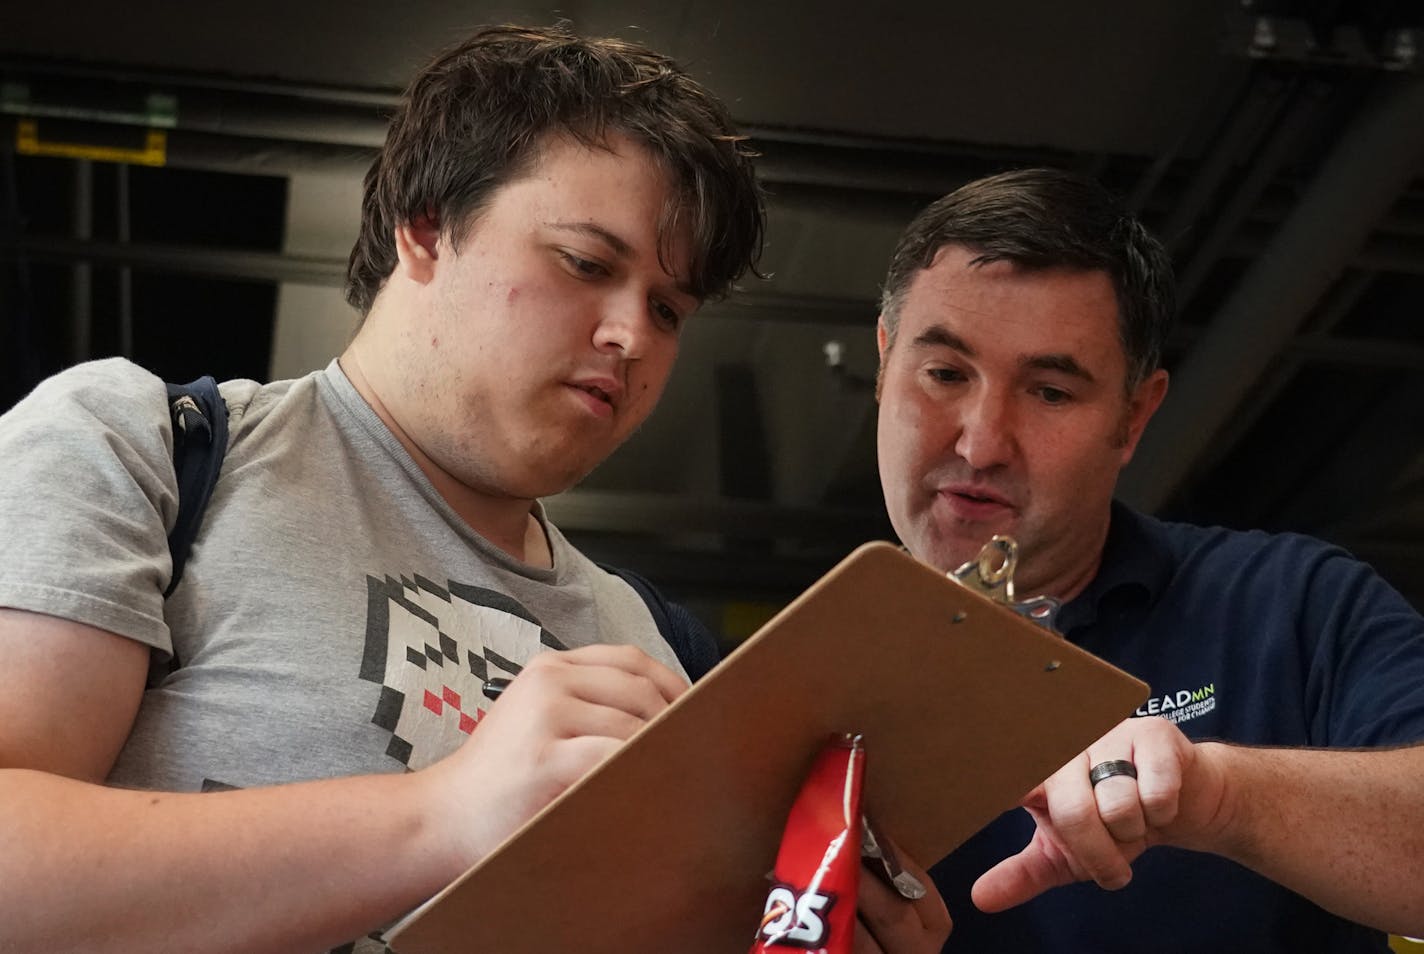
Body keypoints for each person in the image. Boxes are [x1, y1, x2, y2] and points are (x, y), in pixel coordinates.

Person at [0, 25, 948, 954]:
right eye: (586, 264)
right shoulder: (144, 448)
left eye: (669, 308)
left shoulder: (657, 646)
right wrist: (442, 814)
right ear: (426, 226)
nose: (634, 336)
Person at [872, 167, 1424, 952]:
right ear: (886, 363)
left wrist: (1221, 797)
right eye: (945, 375)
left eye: (1051, 392)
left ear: (1133, 420)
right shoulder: (770, 687)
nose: (981, 443)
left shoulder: (1291, 607)